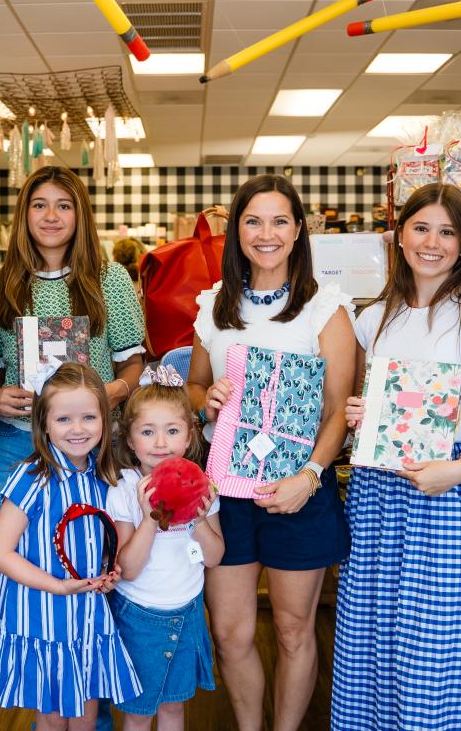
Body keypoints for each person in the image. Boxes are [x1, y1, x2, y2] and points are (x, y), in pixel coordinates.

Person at [333, 185, 461, 731]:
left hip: (453, 487)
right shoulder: (375, 316)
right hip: (380, 492)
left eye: (447, 231)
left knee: (444, 637)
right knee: (378, 632)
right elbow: (365, 402)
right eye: (421, 228)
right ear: (400, 236)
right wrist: (359, 412)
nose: (432, 242)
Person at [185, 174, 354, 731]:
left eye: (280, 220)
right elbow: (194, 387)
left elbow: (336, 411)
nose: (266, 233)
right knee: (231, 633)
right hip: (225, 493)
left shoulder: (325, 308)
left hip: (299, 489)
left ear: (299, 229)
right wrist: (203, 396)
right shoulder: (214, 307)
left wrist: (309, 475)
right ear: (236, 230)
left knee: (291, 628)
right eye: (253, 221)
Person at [0, 166, 145, 584]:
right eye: (39, 205)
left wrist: (113, 391)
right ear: (24, 215)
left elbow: (133, 363)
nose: (51, 215)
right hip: (15, 442)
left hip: (94, 447)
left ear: (80, 215)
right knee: (11, 568)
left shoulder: (110, 280)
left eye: (63, 205)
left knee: (95, 562)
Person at [0, 362, 140, 730]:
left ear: (106, 419)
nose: (78, 429)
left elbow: (104, 542)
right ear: (44, 424)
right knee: (50, 717)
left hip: (87, 618)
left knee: (86, 713)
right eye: (64, 419)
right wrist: (57, 586)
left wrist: (110, 572)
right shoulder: (32, 477)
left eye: (88, 417)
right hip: (40, 618)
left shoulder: (106, 479)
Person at [103, 366, 224, 731]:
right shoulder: (124, 488)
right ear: (129, 440)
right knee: (139, 713)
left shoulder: (202, 486)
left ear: (189, 436)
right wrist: (150, 518)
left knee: (174, 709)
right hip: (139, 616)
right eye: (147, 432)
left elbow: (215, 557)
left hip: (187, 612)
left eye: (172, 431)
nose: (160, 443)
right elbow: (129, 567)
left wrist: (199, 518)